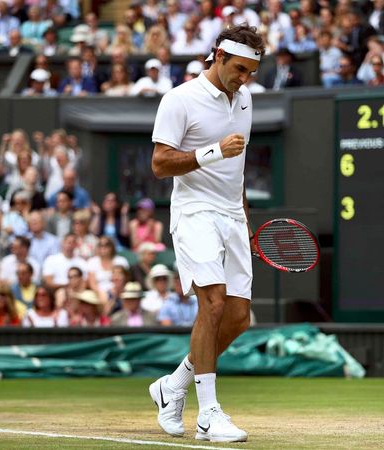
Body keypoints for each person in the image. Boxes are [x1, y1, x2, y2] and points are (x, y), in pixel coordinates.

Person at [148, 25, 264, 443]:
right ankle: (208, 415)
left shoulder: (247, 99)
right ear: (218, 56)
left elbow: (238, 171)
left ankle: (173, 385)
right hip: (194, 211)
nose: (244, 78)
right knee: (212, 303)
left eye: (251, 71)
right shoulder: (178, 100)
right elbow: (160, 164)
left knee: (237, 319)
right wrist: (211, 152)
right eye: (239, 68)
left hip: (233, 216)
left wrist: (245, 219)